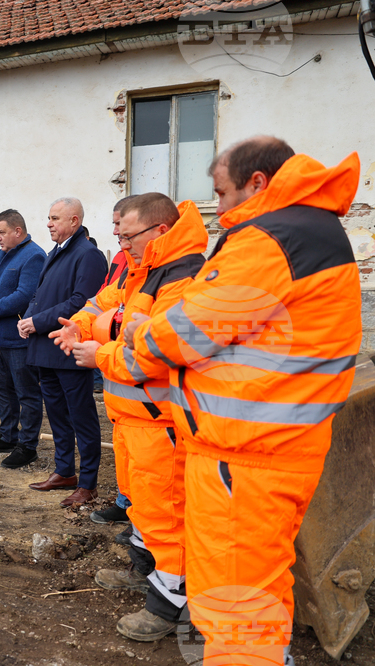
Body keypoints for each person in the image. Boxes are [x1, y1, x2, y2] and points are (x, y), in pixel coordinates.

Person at [124, 137, 362, 664]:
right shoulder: (311, 230)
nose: (219, 207)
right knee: (259, 590)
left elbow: (185, 332)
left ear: (258, 183)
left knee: (232, 605)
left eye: (223, 193)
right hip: (274, 450)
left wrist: (138, 330)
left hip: (245, 458)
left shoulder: (269, 239)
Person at [54, 193, 208, 641]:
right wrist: (80, 325)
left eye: (127, 235)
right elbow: (103, 302)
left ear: (160, 231)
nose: (121, 243)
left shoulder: (181, 278)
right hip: (134, 420)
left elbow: (157, 353)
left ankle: (168, 607)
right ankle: (146, 572)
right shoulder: (144, 270)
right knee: (143, 508)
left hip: (162, 423)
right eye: (118, 235)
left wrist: (99, 351)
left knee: (166, 516)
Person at [18, 198, 106, 504]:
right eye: (48, 217)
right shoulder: (55, 252)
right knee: (56, 415)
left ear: (74, 221)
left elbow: (81, 302)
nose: (49, 223)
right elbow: (40, 294)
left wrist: (37, 321)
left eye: (55, 218)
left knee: (82, 417)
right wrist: (28, 317)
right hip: (46, 348)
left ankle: (89, 482)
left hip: (70, 349)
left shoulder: (88, 255)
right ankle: (65, 470)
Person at [0, 210, 46, 460]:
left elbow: (24, 296)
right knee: (4, 391)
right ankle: (7, 437)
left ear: (18, 231)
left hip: (18, 341)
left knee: (27, 394)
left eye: (1, 233)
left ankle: (27, 447)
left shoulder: (33, 256)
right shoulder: (3, 254)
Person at [91, 195, 137, 531]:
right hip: (119, 378)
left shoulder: (167, 274)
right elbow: (104, 299)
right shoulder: (123, 260)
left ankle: (138, 517)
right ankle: (126, 502)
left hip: (142, 385)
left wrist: (99, 353)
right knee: (124, 447)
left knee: (147, 463)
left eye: (121, 225)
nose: (116, 231)